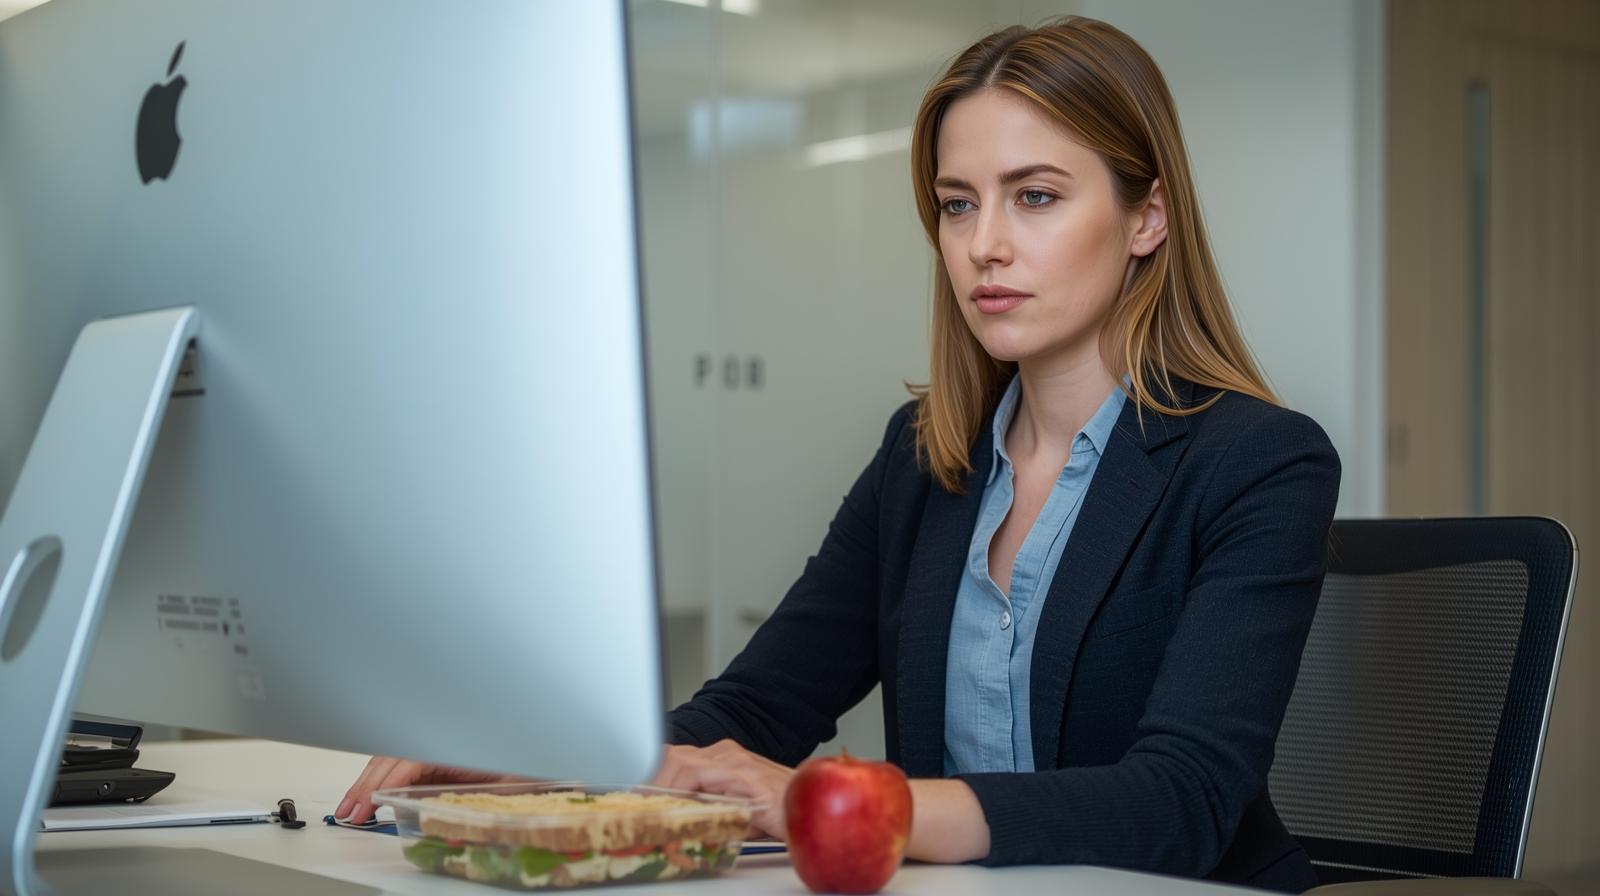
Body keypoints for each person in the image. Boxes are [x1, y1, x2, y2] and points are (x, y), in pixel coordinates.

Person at [337, 16, 1339, 893]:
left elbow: (1183, 799)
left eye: (1034, 197)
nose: (983, 243)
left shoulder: (1257, 462)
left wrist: (836, 801)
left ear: (1146, 217)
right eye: (956, 203)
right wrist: (545, 768)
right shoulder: (923, 460)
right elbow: (758, 705)